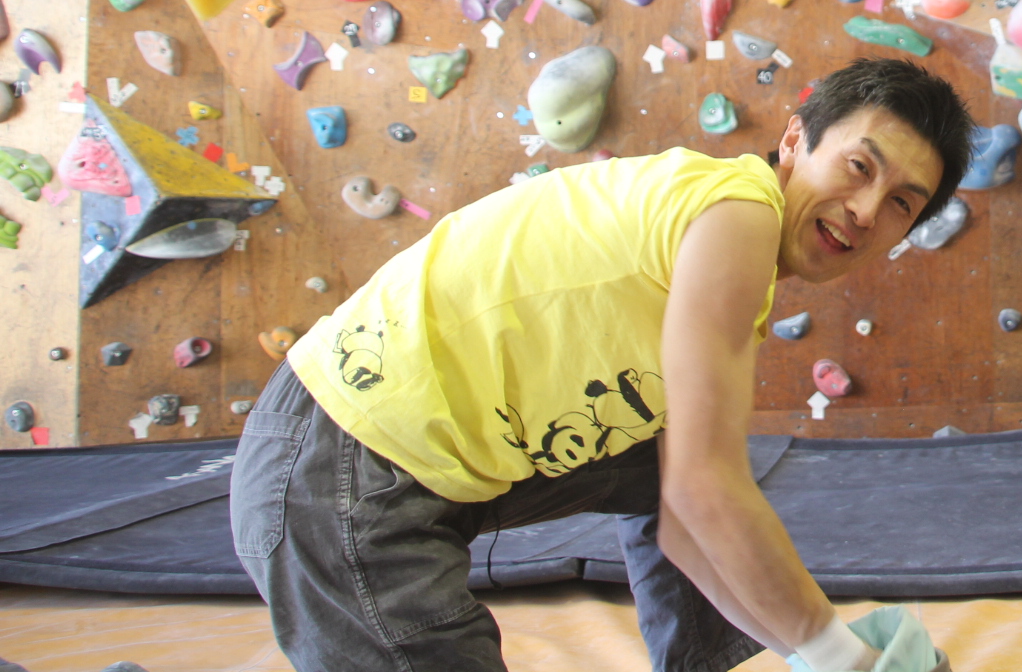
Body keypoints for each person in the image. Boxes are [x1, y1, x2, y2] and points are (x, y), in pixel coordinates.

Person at [231, 57, 974, 672]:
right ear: (793, 140)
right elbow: (705, 489)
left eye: (902, 205)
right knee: (705, 471)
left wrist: (819, 654)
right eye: (857, 166)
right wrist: (845, 656)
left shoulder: (722, 242)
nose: (866, 210)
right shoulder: (738, 211)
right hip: (338, 468)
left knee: (671, 454)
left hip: (408, 464)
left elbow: (683, 515)